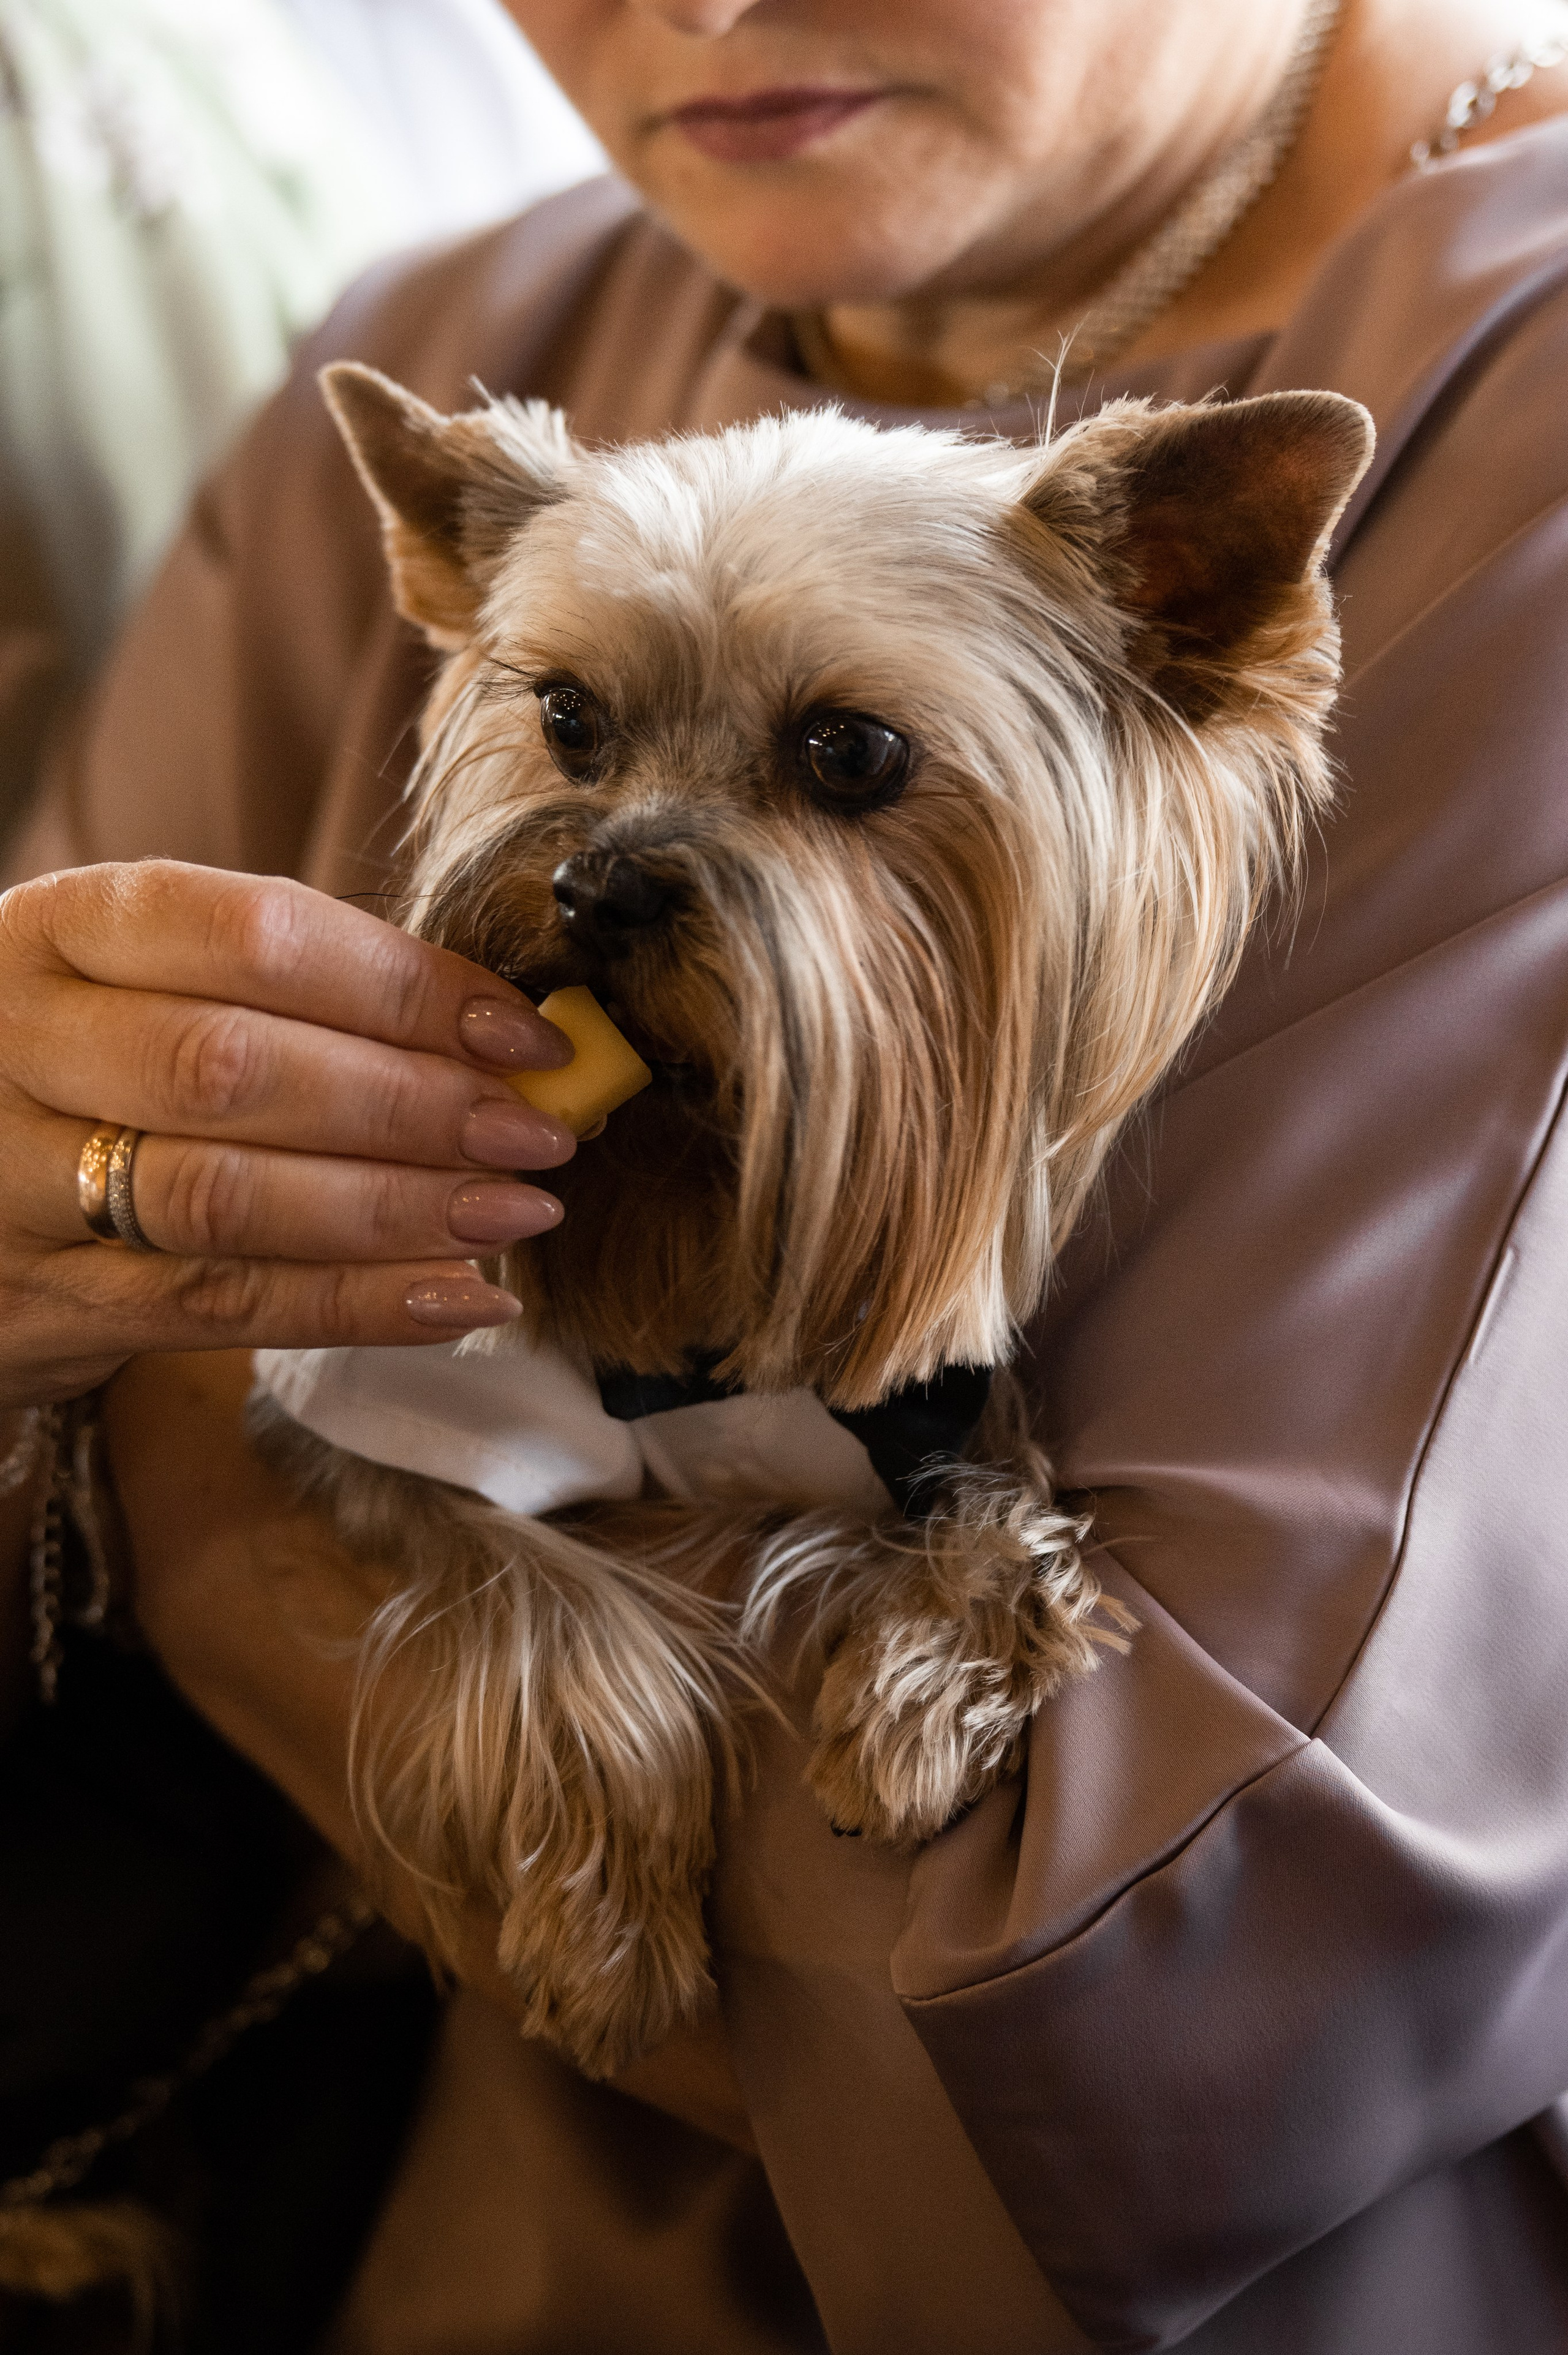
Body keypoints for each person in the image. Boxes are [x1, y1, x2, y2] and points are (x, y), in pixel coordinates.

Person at [3, 0, 1568, 2347]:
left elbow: (1161, 2004)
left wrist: (204, 1496)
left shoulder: (1504, 420)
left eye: (843, 760)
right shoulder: (452, 335)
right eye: (575, 728)